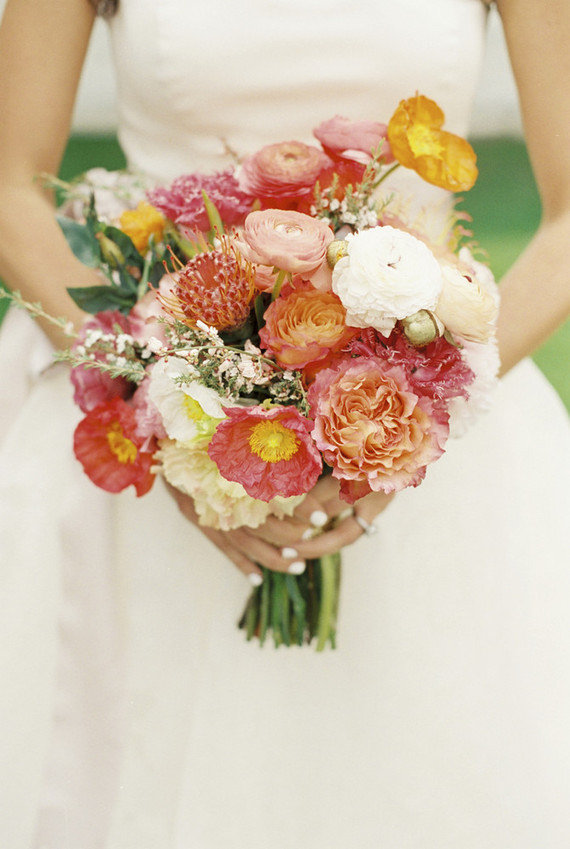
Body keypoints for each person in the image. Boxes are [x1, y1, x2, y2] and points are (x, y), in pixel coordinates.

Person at [0, 0, 569, 846]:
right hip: (146, 412)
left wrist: (412, 418)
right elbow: (10, 183)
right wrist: (166, 409)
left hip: (439, 437)